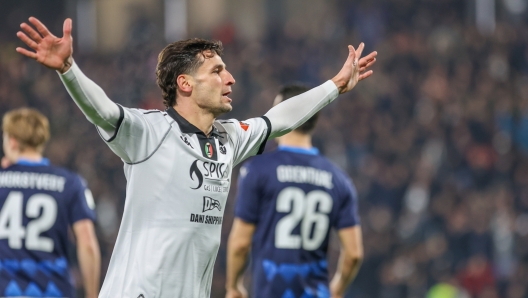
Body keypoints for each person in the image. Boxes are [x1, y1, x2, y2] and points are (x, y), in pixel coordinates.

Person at [15, 16, 376, 298]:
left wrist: (335, 86)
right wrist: (69, 70)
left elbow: (277, 119)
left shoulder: (228, 139)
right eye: (217, 71)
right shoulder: (147, 133)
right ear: (185, 84)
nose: (230, 78)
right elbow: (104, 112)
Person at [225, 84, 363, 298]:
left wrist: (234, 286)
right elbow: (354, 254)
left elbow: (240, 244)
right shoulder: (339, 179)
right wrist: (338, 288)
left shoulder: (258, 170)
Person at [0, 108, 100, 298]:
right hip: (53, 290)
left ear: (12, 140)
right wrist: (92, 295)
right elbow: (87, 242)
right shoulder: (70, 183)